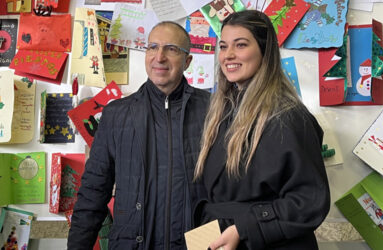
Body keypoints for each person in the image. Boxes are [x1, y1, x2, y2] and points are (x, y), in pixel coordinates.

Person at [193, 10, 330, 250]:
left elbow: (309, 202)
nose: (229, 55)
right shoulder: (221, 114)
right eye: (223, 47)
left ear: (265, 51)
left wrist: (244, 228)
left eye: (241, 45)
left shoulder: (288, 116)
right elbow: (218, 200)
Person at [68, 21, 210, 250]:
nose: (159, 57)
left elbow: (225, 194)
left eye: (171, 49)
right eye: (152, 47)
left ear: (188, 61)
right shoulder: (116, 114)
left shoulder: (213, 111)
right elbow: (93, 193)